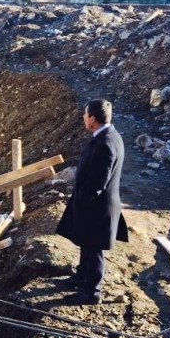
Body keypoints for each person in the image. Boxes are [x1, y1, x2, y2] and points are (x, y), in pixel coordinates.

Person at [56, 99, 129, 305]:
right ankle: (81, 277)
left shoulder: (105, 143)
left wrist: (83, 201)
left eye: (85, 115)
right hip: (93, 204)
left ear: (93, 119)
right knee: (86, 245)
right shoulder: (108, 136)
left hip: (96, 207)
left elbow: (98, 182)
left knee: (93, 249)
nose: (83, 118)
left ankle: (92, 293)